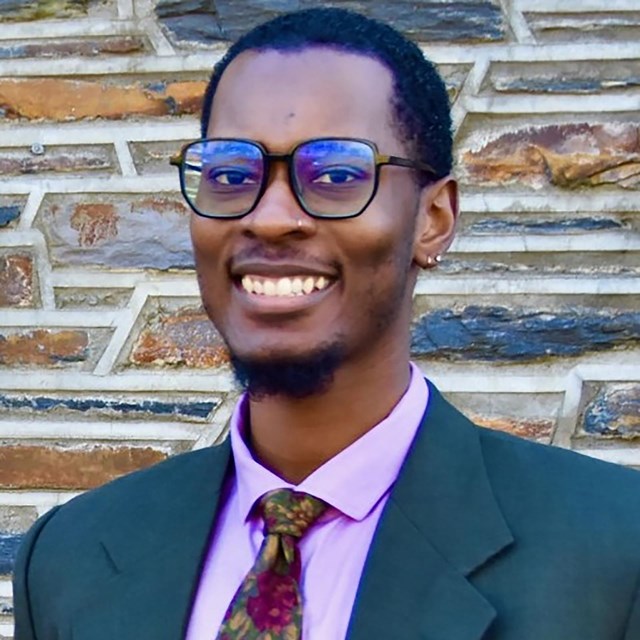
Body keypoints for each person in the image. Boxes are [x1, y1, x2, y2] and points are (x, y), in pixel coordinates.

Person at [12, 8, 640, 640]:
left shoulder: (613, 550)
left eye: (337, 174)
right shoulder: (72, 557)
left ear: (434, 219)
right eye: (231, 173)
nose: (271, 217)